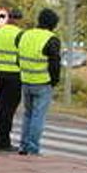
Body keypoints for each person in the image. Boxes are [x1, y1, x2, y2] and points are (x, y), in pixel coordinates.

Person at [17, 8, 61, 156]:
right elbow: (55, 64)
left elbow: (19, 58)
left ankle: (23, 146)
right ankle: (33, 148)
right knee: (38, 117)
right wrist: (54, 81)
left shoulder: (24, 35)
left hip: (25, 80)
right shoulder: (51, 39)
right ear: (53, 24)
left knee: (27, 115)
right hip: (42, 83)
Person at [0, 8, 23, 151]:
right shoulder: (20, 34)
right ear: (19, 19)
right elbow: (22, 55)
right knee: (8, 110)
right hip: (13, 75)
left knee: (0, 106)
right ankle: (3, 140)